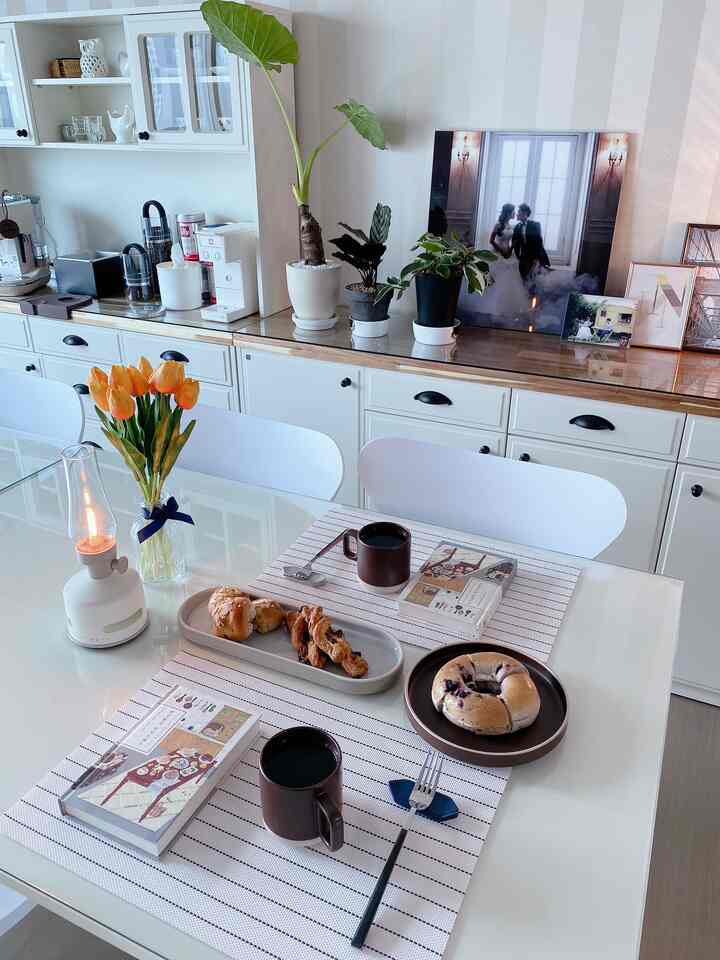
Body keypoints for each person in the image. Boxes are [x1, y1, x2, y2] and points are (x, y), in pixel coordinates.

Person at [476, 203, 531, 321]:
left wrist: (510, 250)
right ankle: (493, 308)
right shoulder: (498, 225)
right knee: (497, 281)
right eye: (513, 212)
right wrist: (501, 250)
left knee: (510, 279)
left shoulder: (510, 226)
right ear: (507, 212)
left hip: (508, 254)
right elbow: (491, 240)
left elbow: (511, 243)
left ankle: (508, 308)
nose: (515, 214)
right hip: (497, 253)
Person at [512, 203, 551, 280]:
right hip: (524, 259)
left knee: (536, 280)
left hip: (535, 258)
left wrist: (536, 260)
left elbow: (539, 243)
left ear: (525, 213)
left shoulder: (535, 225)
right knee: (524, 280)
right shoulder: (517, 227)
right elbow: (515, 244)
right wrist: (518, 257)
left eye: (519, 211)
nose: (517, 214)